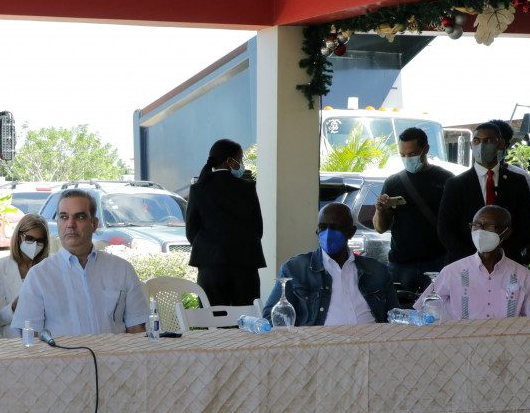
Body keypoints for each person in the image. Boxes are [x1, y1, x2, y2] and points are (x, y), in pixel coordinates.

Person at [11, 189, 150, 337]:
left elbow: (137, 331)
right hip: (60, 353)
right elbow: (30, 337)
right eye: (64, 217)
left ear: (94, 224)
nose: (70, 224)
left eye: (80, 217)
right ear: (58, 223)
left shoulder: (122, 270)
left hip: (114, 352)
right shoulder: (39, 276)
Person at [262, 202, 397, 326]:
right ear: (317, 231)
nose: (328, 233)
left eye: (335, 228)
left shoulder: (377, 271)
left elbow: (395, 316)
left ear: (351, 232)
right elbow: (271, 317)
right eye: (323, 227)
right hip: (318, 343)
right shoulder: (295, 269)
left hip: (372, 340)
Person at [437, 121, 530, 266]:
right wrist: (474, 259)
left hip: (506, 263)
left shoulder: (517, 182)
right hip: (465, 264)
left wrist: (500, 258)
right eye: (477, 141)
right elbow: (446, 229)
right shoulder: (456, 184)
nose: (481, 146)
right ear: (471, 145)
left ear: (500, 144)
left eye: (488, 140)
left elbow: (526, 225)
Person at [417, 205, 530, 318]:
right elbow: (423, 313)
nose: (480, 231)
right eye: (476, 225)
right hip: (463, 335)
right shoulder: (452, 272)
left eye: (489, 226)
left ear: (506, 232)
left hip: (506, 336)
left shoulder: (524, 276)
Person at [184, 138, 265, 304]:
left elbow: (191, 230)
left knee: (213, 316)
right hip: (245, 264)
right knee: (246, 316)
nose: (241, 164)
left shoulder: (198, 189)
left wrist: (209, 248)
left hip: (210, 264)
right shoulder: (247, 188)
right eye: (240, 159)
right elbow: (258, 228)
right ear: (229, 161)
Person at [373, 127, 452, 293]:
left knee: (438, 306)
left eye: (412, 153)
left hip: (437, 261)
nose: (407, 159)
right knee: (399, 307)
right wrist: (380, 210)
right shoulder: (393, 182)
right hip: (400, 263)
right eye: (403, 155)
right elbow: (380, 228)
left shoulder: (446, 179)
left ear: (426, 149)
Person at [0, 213, 51, 338]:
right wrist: (13, 307)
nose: (34, 244)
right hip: (12, 341)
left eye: (40, 241)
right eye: (29, 238)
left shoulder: (50, 266)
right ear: (19, 236)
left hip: (45, 338)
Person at [492, 119, 530, 207]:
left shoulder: (521, 176)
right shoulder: (470, 178)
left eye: (498, 143)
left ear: (506, 145)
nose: (491, 147)